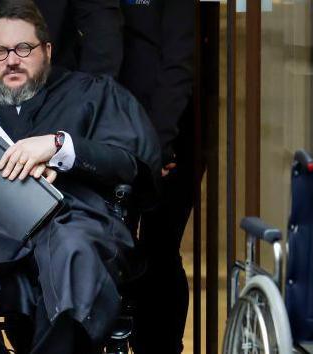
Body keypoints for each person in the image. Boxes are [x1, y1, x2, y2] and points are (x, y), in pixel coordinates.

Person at [0, 1, 161, 353]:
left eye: (24, 48)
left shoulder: (92, 96)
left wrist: (61, 147)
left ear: (47, 50)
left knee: (75, 249)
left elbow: (129, 162)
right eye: (0, 51)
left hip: (72, 220)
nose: (12, 60)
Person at [117, 1, 195, 353]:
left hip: (167, 131)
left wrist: (159, 144)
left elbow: (178, 61)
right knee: (113, 247)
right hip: (108, 131)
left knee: (161, 249)